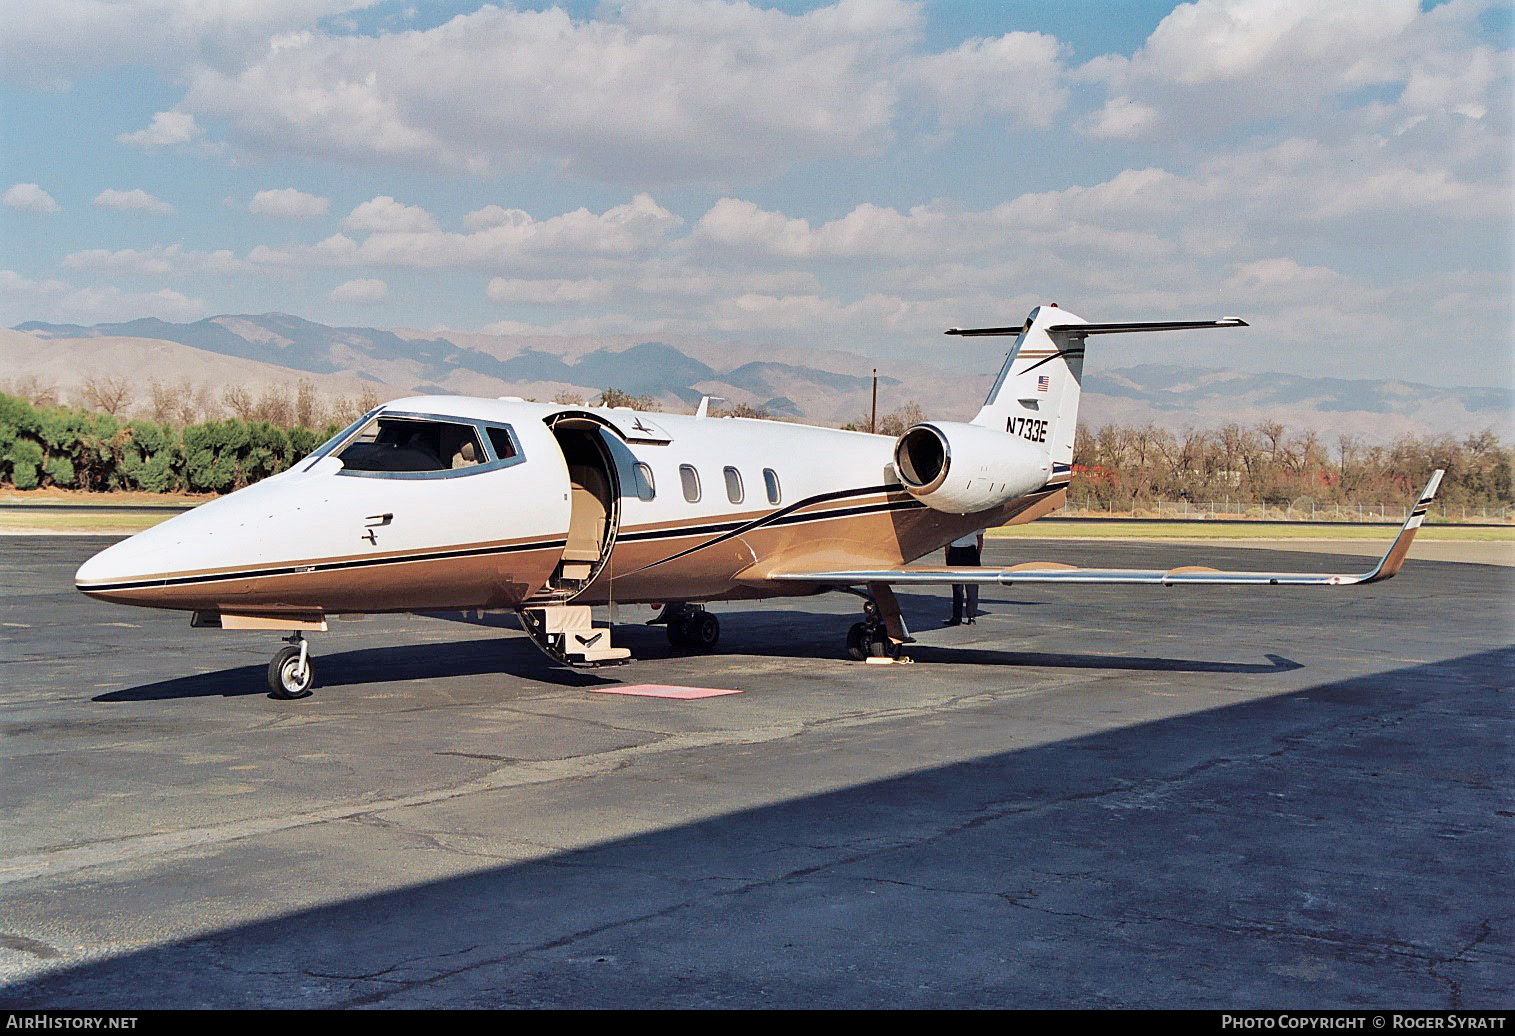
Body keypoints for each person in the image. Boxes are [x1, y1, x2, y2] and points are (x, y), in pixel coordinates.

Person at [945, 530, 984, 625]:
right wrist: (977, 554)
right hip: (970, 552)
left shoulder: (952, 519)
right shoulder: (976, 519)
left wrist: (947, 556)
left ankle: (957, 617)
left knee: (958, 588)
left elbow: (947, 541)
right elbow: (980, 540)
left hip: (956, 551)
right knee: (972, 587)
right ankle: (971, 616)